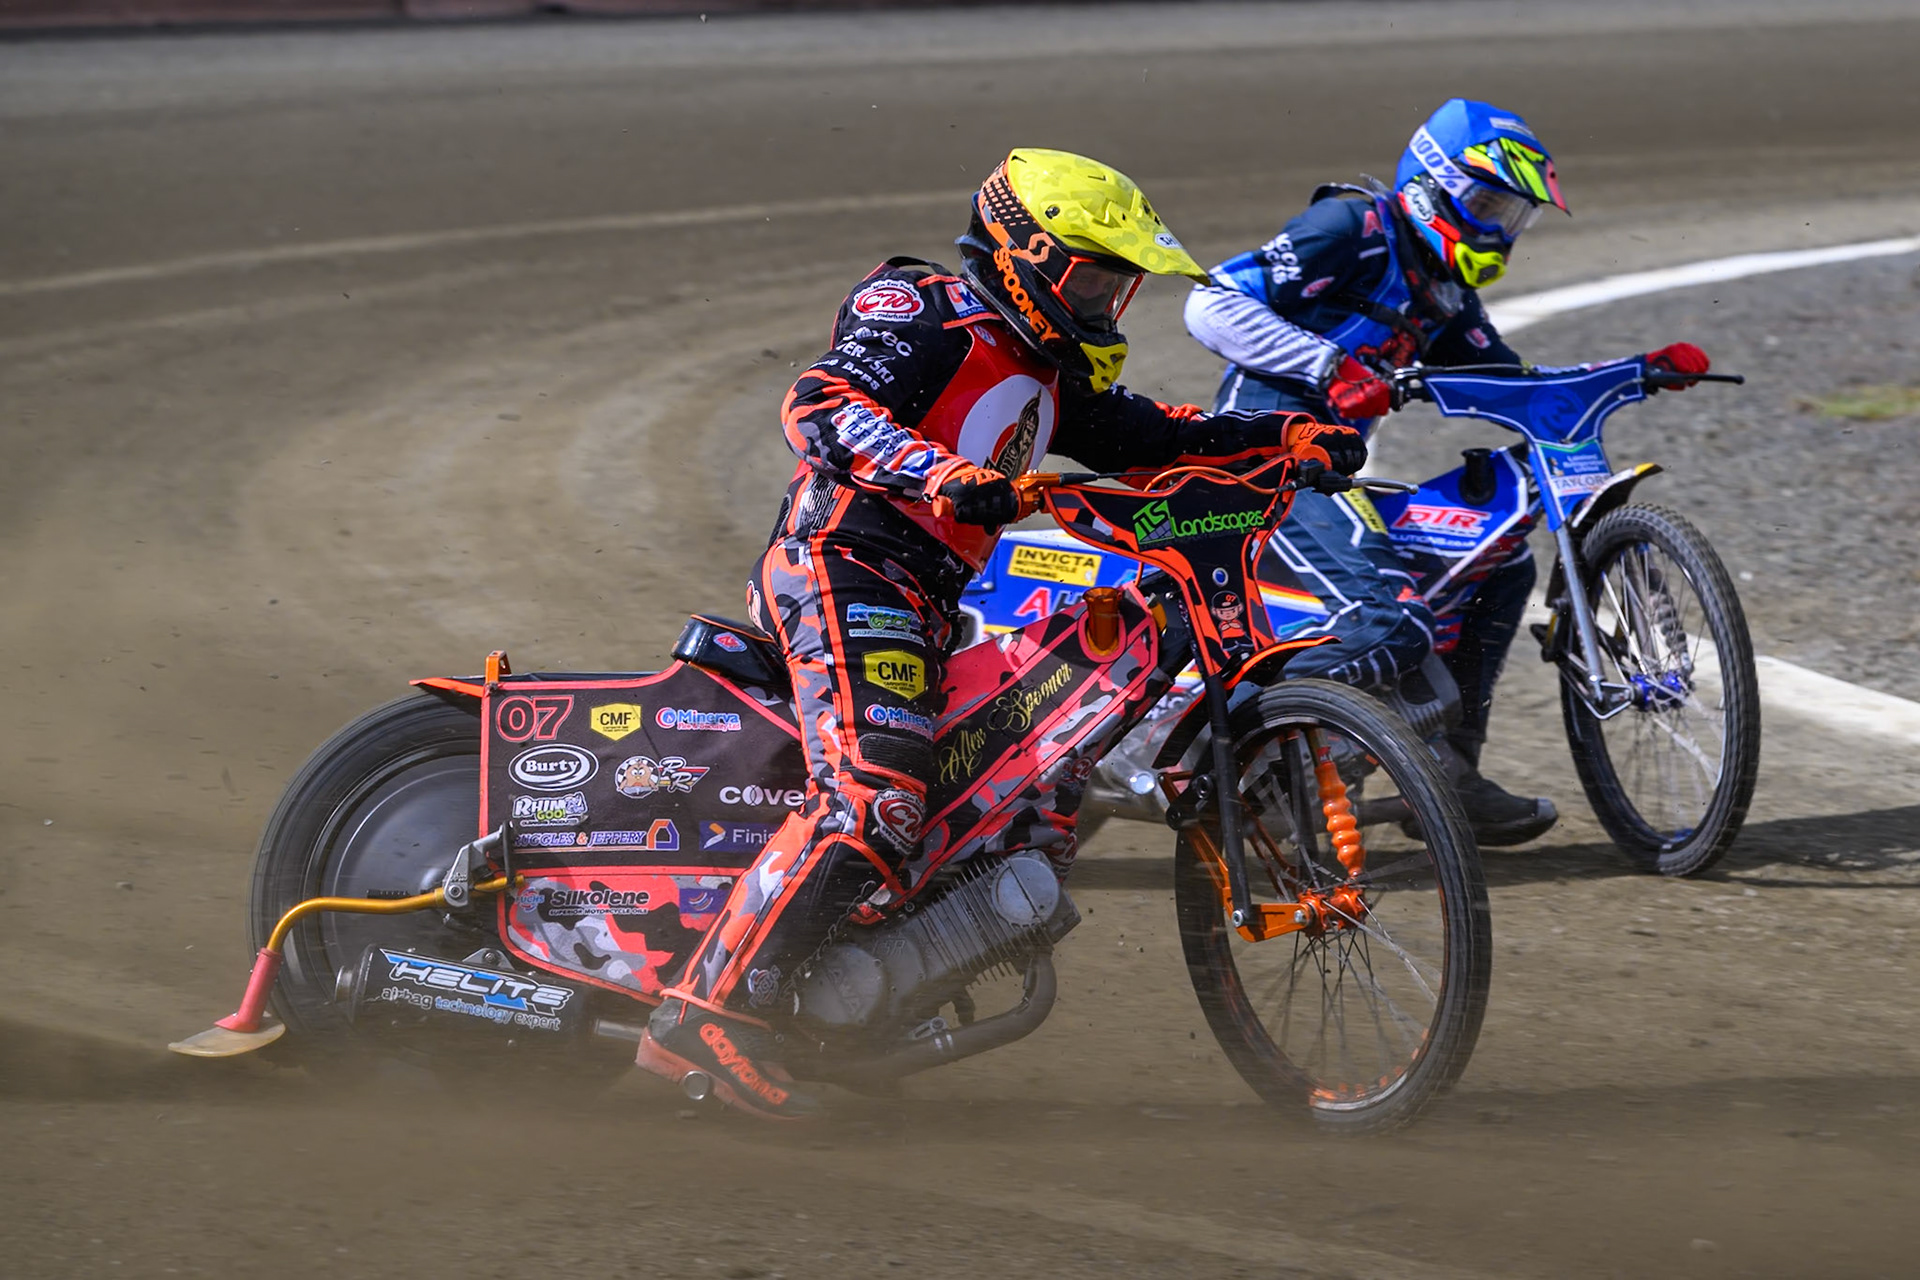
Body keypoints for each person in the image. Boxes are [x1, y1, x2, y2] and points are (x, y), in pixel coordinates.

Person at [634, 148, 1366, 1120]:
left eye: (1122, 283)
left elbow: (1155, 437)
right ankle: (703, 1014)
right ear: (1026, 251)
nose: (1110, 302)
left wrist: (1285, 437)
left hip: (925, 599)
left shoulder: (1048, 370)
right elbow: (818, 404)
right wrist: (943, 475)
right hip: (842, 565)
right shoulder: (924, 308)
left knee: (979, 793)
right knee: (877, 787)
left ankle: (846, 983)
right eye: (1095, 276)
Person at [1183, 98, 1711, 845]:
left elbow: (1517, 388)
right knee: (1385, 619)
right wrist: (1329, 363)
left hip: (1330, 476)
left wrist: (1635, 370)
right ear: (1433, 185)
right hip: (1260, 466)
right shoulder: (1352, 230)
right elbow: (1209, 305)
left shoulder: (1446, 293)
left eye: (1514, 215)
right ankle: (1241, 763)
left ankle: (1443, 773)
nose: (1499, 229)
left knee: (1501, 567)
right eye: (1489, 203)